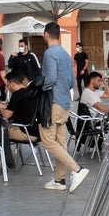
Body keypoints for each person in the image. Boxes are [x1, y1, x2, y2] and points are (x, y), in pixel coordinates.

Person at [38, 22, 90, 192]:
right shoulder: (66, 54)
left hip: (52, 101)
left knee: (47, 141)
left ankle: (77, 169)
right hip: (65, 101)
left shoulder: (49, 53)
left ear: (46, 35)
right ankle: (59, 180)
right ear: (58, 35)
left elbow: (51, 78)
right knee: (60, 142)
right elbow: (70, 81)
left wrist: (40, 86)